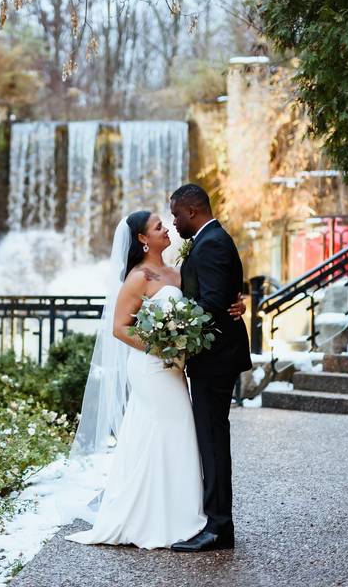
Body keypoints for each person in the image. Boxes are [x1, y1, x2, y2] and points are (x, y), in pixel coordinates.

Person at [66, 207, 245, 549]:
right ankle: (159, 518)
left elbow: (207, 302)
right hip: (151, 368)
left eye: (166, 223)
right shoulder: (139, 277)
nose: (167, 229)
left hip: (175, 370)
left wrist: (237, 305)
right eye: (159, 226)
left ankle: (181, 515)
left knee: (175, 435)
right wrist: (159, 347)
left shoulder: (178, 272)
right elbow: (119, 328)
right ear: (142, 239)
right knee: (171, 429)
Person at [169, 183, 252, 553]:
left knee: (214, 441)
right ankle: (216, 522)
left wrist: (173, 330)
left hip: (216, 358)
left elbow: (214, 302)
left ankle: (219, 528)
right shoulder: (209, 240)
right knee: (211, 439)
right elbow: (217, 293)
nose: (174, 222)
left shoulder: (213, 241)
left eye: (175, 214)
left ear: (191, 211)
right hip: (213, 356)